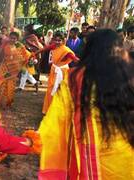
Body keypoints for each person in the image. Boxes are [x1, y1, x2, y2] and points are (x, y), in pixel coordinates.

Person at [38, 29, 133, 179]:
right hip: (126, 158)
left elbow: (56, 120)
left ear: (89, 50)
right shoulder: (129, 75)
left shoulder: (75, 79)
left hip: (94, 158)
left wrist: (35, 140)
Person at [42, 31, 78, 114]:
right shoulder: (54, 46)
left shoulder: (66, 50)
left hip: (62, 72)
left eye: (59, 40)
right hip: (54, 70)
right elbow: (44, 49)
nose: (57, 42)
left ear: (64, 40)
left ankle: (58, 111)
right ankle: (49, 109)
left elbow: (75, 59)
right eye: (56, 40)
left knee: (59, 90)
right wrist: (33, 54)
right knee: (50, 90)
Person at [0, 32, 32, 107]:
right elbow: (0, 56)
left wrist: (26, 60)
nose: (12, 40)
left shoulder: (19, 47)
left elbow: (24, 56)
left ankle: (8, 102)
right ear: (9, 38)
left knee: (11, 85)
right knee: (2, 84)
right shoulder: (5, 46)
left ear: (17, 39)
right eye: (11, 38)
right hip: (4, 68)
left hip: (13, 70)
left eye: (14, 38)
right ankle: (0, 102)